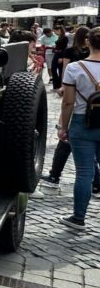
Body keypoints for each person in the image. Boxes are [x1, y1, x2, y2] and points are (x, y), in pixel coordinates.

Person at [57, 27, 100, 230]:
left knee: (84, 173)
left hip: (83, 123)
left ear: (88, 42)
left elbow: (68, 102)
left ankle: (78, 218)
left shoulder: (75, 68)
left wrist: (63, 127)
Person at [51, 25, 68, 90]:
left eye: (55, 31)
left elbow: (64, 48)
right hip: (57, 53)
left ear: (59, 30)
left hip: (60, 54)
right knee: (54, 69)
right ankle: (57, 84)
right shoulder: (60, 37)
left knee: (60, 70)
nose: (54, 33)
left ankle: (59, 85)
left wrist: (62, 57)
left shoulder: (64, 37)